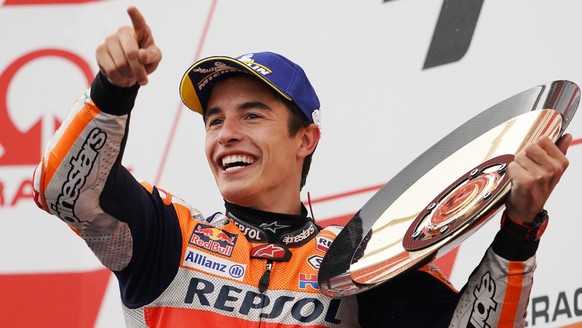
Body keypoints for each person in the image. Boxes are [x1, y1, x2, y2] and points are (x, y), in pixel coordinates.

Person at [32, 6, 571, 327]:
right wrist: (112, 91)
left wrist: (518, 231)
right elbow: (64, 192)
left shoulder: (362, 265)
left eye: (252, 114)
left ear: (305, 139)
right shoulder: (168, 237)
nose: (227, 133)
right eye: (214, 119)